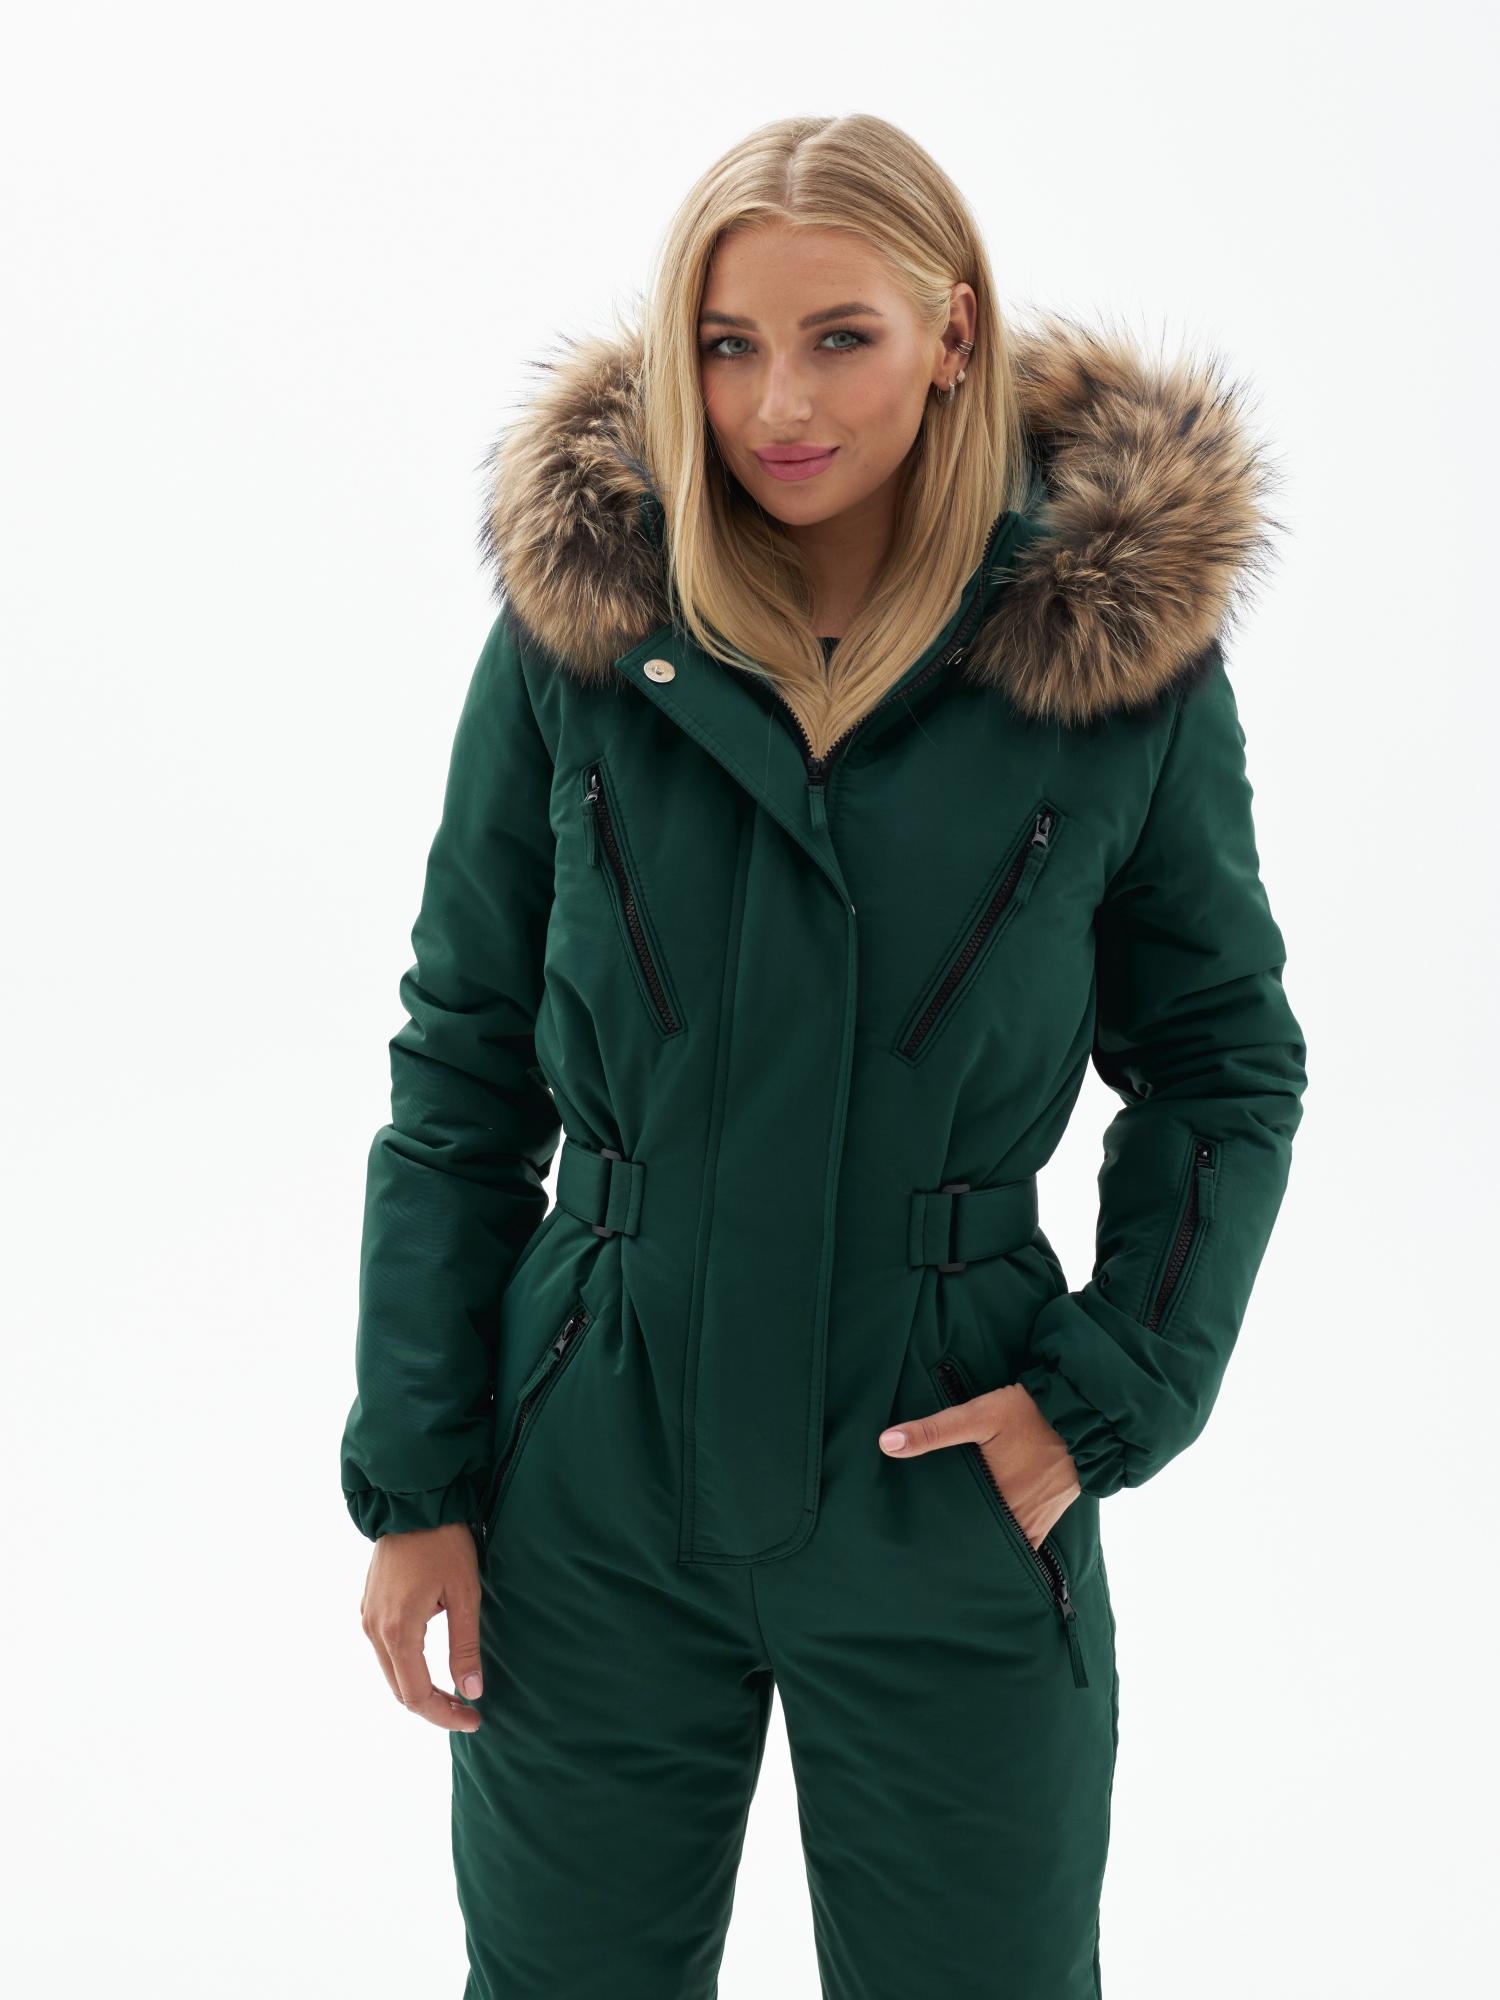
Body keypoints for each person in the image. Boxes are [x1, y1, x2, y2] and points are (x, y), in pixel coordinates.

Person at [340, 112, 1308, 2000]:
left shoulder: (1107, 669)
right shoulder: (584, 636)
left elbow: (1220, 1062)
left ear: (953, 333)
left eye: (838, 337)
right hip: (589, 1472)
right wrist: (418, 1479)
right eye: (725, 345)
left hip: (943, 1465)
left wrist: (1107, 1392)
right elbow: (461, 1071)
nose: (775, 403)